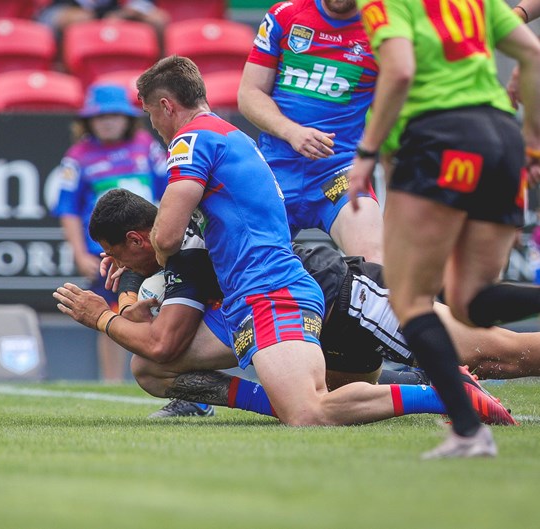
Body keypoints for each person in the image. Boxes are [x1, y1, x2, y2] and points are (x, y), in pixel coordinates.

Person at [81, 56, 513, 432]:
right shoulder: (229, 137)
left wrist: (110, 306)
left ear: (165, 105)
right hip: (249, 295)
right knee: (153, 367)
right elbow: (193, 239)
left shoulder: (191, 140)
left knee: (309, 412)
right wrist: (142, 261)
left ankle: (444, 393)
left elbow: (169, 235)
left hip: (271, 290)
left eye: (150, 115)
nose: (153, 126)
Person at [53, 189, 518, 425]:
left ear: (138, 238)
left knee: (499, 354)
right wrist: (130, 283)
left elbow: (164, 338)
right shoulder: (169, 243)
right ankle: (429, 384)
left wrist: (101, 315)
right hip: (285, 315)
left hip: (335, 293)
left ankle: (445, 390)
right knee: (151, 370)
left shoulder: (183, 248)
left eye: (114, 254)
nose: (109, 265)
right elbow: (149, 319)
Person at [346, 0, 540, 458]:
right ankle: (469, 433)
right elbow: (531, 54)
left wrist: (368, 152)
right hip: (501, 140)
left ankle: (470, 433)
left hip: (439, 139)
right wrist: (531, 140)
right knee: (471, 301)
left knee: (410, 299)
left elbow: (399, 72)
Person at [237, 0, 384, 263]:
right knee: (232, 257)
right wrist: (292, 132)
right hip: (275, 169)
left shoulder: (382, 28)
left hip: (338, 172)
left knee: (375, 263)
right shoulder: (285, 15)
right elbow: (249, 94)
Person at [52, 83, 168, 382]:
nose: (107, 122)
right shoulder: (78, 156)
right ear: (88, 121)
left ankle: (158, 371)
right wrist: (79, 252)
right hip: (105, 254)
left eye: (114, 116)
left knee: (155, 307)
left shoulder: (146, 146)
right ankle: (112, 380)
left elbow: (170, 192)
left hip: (148, 250)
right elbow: (67, 210)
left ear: (128, 118)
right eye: (100, 116)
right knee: (108, 312)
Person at [36, 0, 170, 35]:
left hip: (113, 13)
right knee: (80, 19)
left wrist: (123, 14)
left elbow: (142, 7)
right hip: (61, 10)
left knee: (156, 19)